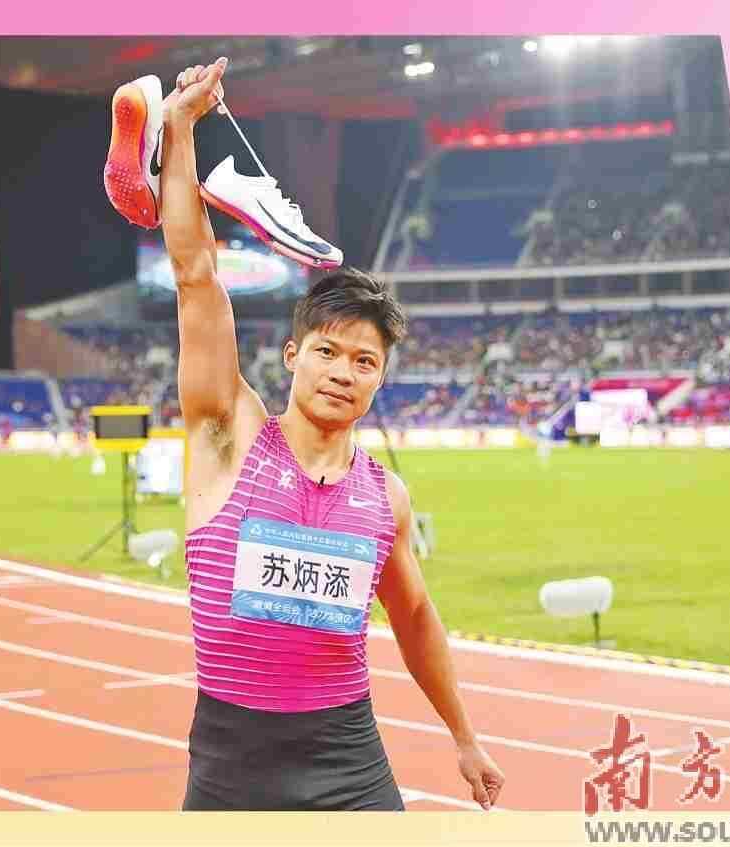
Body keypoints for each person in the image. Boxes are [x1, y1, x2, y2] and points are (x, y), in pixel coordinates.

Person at [114, 56, 506, 812]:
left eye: (364, 361)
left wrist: (464, 735)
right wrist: (183, 127)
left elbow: (414, 617)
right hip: (231, 767)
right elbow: (195, 276)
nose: (342, 372)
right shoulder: (228, 438)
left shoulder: (385, 496)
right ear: (293, 355)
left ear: (379, 379)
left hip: (347, 761)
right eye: (328, 351)